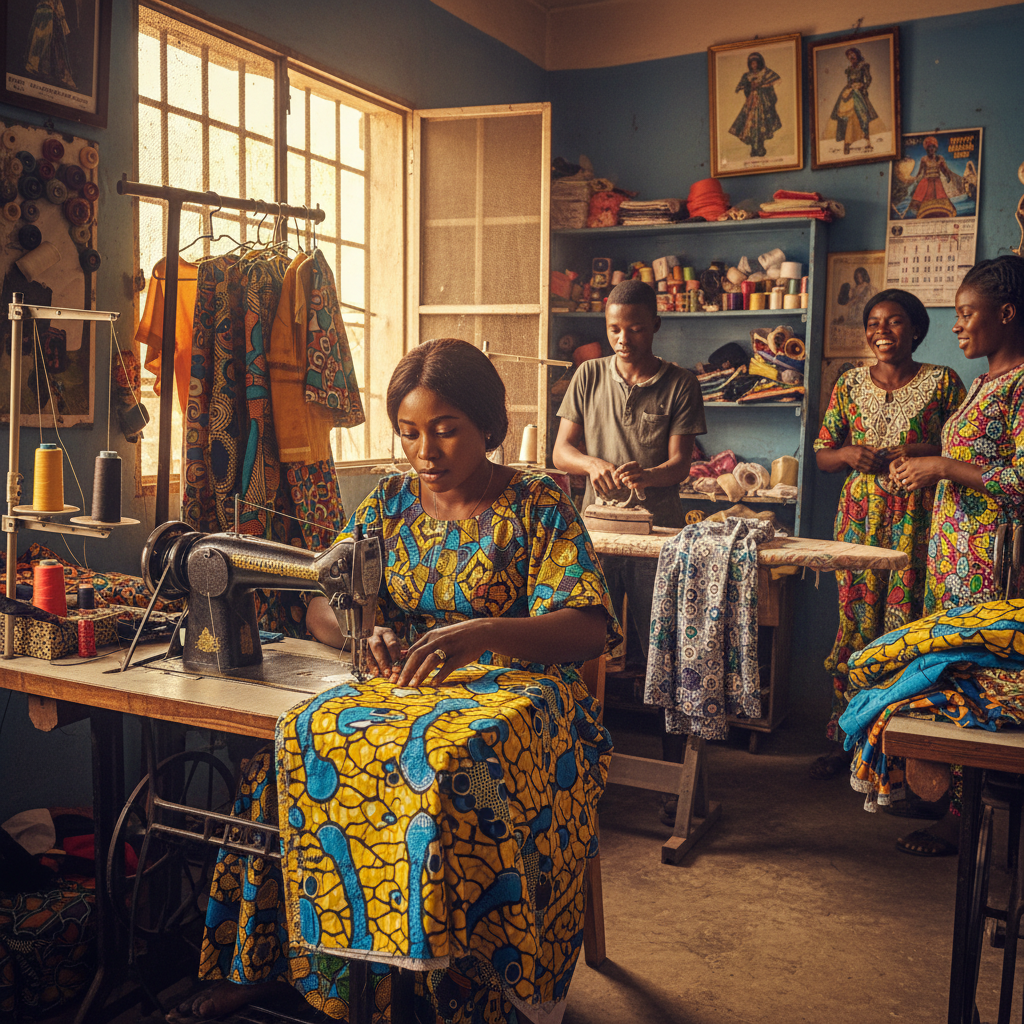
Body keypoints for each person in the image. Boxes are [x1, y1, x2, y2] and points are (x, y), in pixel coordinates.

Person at [175, 338, 620, 1024]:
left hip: (523, 699)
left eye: (446, 431)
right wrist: (361, 629)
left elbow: (587, 628)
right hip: (402, 681)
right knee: (284, 759)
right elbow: (323, 599)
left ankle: (474, 990)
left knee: (453, 776)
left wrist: (482, 633)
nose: (426, 452)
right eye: (410, 434)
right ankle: (281, 967)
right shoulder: (386, 504)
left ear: (488, 427)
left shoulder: (537, 502)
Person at [552, 279, 705, 820]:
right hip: (597, 531)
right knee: (578, 643)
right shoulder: (588, 375)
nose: (623, 337)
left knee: (664, 652)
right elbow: (562, 449)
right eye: (614, 327)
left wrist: (646, 474)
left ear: (656, 324)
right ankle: (566, 769)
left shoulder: (680, 383)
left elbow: (681, 464)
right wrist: (595, 466)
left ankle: (678, 789)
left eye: (635, 327)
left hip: (656, 538)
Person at [890, 254, 1024, 854]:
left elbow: (1020, 479)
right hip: (953, 558)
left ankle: (965, 822)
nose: (957, 325)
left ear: (1007, 313)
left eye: (967, 313)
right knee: (951, 672)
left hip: (989, 562)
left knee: (976, 677)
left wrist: (942, 465)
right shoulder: (986, 381)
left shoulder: (1022, 383)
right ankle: (951, 805)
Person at [812, 290, 965, 780]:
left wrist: (915, 446)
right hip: (859, 518)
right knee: (856, 624)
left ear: (916, 329)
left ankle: (900, 750)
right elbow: (821, 452)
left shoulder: (943, 383)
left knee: (909, 625)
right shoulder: (849, 383)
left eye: (895, 322)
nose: (883, 331)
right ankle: (848, 739)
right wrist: (849, 455)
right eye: (874, 322)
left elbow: (960, 445)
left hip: (917, 520)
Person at [728, 51, 783, 158]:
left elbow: (773, 83)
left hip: (763, 103)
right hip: (751, 103)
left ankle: (761, 147)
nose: (754, 65)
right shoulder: (747, 75)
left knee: (761, 124)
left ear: (759, 63)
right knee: (750, 124)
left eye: (755, 63)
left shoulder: (765, 72)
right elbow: (743, 88)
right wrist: (750, 87)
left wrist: (761, 87)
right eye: (752, 63)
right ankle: (754, 148)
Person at [829, 47, 879, 156]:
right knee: (845, 116)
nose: (851, 58)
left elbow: (869, 79)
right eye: (849, 56)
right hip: (850, 92)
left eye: (853, 55)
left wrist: (863, 86)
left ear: (857, 54)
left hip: (859, 93)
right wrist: (848, 90)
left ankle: (866, 139)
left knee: (862, 115)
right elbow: (848, 82)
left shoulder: (863, 66)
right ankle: (847, 143)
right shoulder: (849, 69)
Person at [906, 135, 956, 219]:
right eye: (929, 147)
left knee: (941, 199)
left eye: (933, 147)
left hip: (937, 182)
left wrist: (948, 176)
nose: (931, 149)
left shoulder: (940, 158)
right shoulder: (924, 159)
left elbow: (945, 169)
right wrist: (915, 179)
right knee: (924, 200)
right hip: (926, 182)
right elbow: (921, 171)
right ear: (926, 149)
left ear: (936, 148)